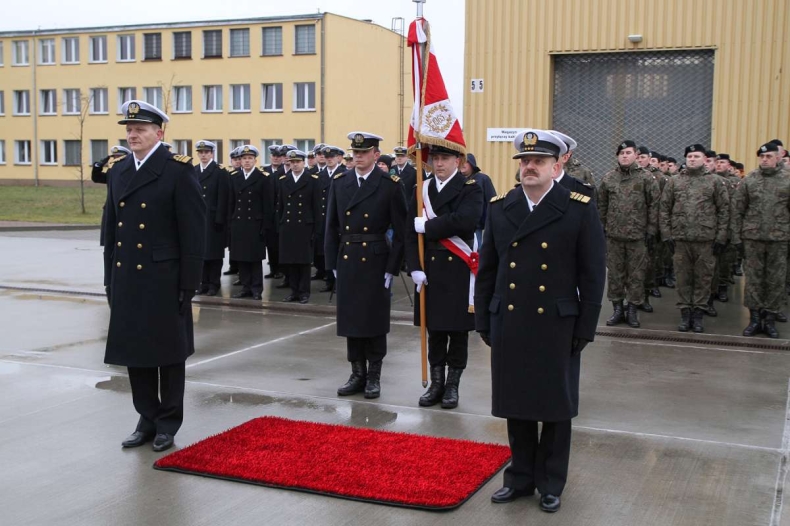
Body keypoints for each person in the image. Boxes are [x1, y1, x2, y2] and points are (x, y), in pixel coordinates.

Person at [475, 129, 605, 513]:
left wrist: (586, 327)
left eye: (538, 161)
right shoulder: (502, 206)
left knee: (554, 407)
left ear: (556, 165)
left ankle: (550, 482)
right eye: (525, 161)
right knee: (517, 404)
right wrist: (484, 317)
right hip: (511, 320)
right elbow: (488, 269)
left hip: (556, 322)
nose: (529, 167)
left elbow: (593, 273)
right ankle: (519, 478)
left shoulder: (578, 206)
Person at [102, 100, 206, 452]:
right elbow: (110, 230)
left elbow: (193, 231)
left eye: (140, 130)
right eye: (129, 130)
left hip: (165, 276)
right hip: (127, 275)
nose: (132, 135)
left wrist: (189, 284)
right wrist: (108, 278)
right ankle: (146, 418)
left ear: (159, 134)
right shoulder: (118, 171)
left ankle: (167, 422)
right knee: (135, 351)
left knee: (169, 354)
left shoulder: (178, 169)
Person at [325, 132, 407, 399]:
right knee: (351, 319)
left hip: (375, 257)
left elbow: (401, 229)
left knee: (373, 320)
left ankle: (374, 376)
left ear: (375, 154)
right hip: (348, 255)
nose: (358, 157)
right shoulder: (340, 182)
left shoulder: (390, 184)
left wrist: (391, 268)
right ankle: (357, 373)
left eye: (364, 152)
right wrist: (332, 262)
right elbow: (331, 227)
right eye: (355, 153)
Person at [405, 144, 483, 409]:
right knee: (435, 330)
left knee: (458, 332)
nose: (439, 164)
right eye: (435, 158)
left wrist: (428, 226)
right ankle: (436, 384)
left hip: (458, 268)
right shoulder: (421, 189)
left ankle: (452, 386)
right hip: (430, 269)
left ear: (457, 160)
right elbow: (409, 234)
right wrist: (414, 267)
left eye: (444, 158)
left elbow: (467, 220)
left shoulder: (470, 188)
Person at [659, 144, 729, 332]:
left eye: (696, 156)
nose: (692, 159)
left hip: (706, 240)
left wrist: (721, 237)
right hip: (680, 240)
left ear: (704, 159)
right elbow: (664, 209)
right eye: (689, 156)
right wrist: (666, 235)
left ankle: (698, 315)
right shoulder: (675, 181)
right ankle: (685, 315)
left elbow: (724, 210)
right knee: (683, 279)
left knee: (703, 279)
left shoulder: (714, 182)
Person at [731, 142, 790, 338]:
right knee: (754, 280)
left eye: (769, 156)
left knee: (775, 280)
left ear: (778, 157)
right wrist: (736, 237)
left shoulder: (787, 179)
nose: (764, 160)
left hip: (779, 239)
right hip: (753, 238)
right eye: (762, 157)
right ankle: (755, 319)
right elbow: (738, 210)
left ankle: (770, 320)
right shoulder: (750, 180)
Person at [598, 140, 659, 328]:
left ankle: (632, 310)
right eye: (621, 153)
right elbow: (602, 205)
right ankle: (617, 309)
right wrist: (602, 227)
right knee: (615, 275)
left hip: (637, 237)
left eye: (628, 152)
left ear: (636, 155)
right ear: (617, 156)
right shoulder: (609, 178)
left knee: (636, 275)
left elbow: (654, 205)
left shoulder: (646, 178)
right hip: (614, 236)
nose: (624, 156)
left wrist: (651, 230)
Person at [276, 150, 322, 304]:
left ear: (303, 163)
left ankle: (304, 292)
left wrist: (316, 228)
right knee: (291, 261)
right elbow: (281, 206)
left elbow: (316, 206)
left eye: (298, 162)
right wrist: (280, 224)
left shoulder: (313, 180)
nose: (295, 165)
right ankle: (294, 291)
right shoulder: (284, 180)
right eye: (292, 162)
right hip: (288, 225)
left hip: (305, 226)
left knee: (303, 262)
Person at [229, 145, 274, 301]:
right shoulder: (234, 177)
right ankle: (245, 287)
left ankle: (256, 289)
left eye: (249, 158)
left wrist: (265, 226)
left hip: (255, 224)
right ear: (240, 161)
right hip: (239, 223)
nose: (246, 161)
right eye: (243, 158)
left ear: (255, 160)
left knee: (254, 259)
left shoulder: (263, 177)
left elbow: (268, 204)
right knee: (241, 258)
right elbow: (231, 202)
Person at [193, 140, 231, 296]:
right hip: (198, 218)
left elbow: (224, 198)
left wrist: (220, 220)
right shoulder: (193, 171)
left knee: (214, 254)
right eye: (201, 153)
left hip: (213, 219)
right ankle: (203, 282)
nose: (203, 155)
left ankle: (214, 284)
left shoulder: (220, 171)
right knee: (201, 253)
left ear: (212, 153)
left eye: (206, 152)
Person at [314, 145, 345, 292]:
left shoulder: (344, 174)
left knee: (339, 250)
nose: (329, 160)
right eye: (327, 158)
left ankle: (340, 282)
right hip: (323, 217)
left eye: (332, 157)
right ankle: (329, 281)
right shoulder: (319, 175)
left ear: (337, 158)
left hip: (338, 218)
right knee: (327, 250)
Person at [92, 145, 131, 247]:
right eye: (114, 157)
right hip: (111, 207)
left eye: (119, 157)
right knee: (110, 242)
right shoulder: (112, 172)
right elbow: (97, 178)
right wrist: (99, 165)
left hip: (126, 209)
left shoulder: (131, 172)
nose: (116, 160)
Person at [460, 152, 497, 246]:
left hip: (477, 227)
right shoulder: (457, 180)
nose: (462, 164)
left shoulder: (483, 179)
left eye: (466, 162)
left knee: (477, 252)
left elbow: (492, 200)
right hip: (459, 225)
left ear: (472, 164)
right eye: (461, 161)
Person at [224, 147, 243, 278]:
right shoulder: (230, 176)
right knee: (233, 244)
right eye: (234, 160)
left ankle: (239, 270)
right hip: (234, 215)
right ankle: (233, 266)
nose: (237, 162)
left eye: (238, 159)